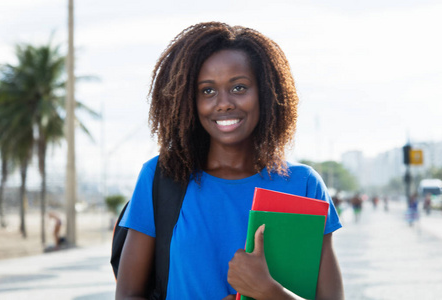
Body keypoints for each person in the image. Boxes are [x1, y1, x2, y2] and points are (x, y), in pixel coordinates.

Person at [115, 22, 344, 300]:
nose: (223, 103)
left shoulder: (303, 185)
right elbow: (128, 294)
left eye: (239, 87)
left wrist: (270, 292)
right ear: (189, 100)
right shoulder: (162, 176)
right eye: (207, 91)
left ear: (266, 93)